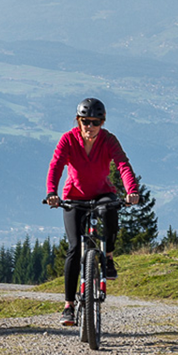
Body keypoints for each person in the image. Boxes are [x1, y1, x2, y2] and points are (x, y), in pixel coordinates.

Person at [45, 98, 141, 326]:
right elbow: (56, 165)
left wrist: (132, 191)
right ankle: (68, 306)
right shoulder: (68, 139)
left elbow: (123, 165)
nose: (90, 127)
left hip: (101, 193)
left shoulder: (109, 140)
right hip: (74, 197)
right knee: (74, 248)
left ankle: (108, 256)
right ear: (79, 121)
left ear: (102, 122)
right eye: (85, 121)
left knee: (111, 208)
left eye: (95, 122)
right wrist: (52, 192)